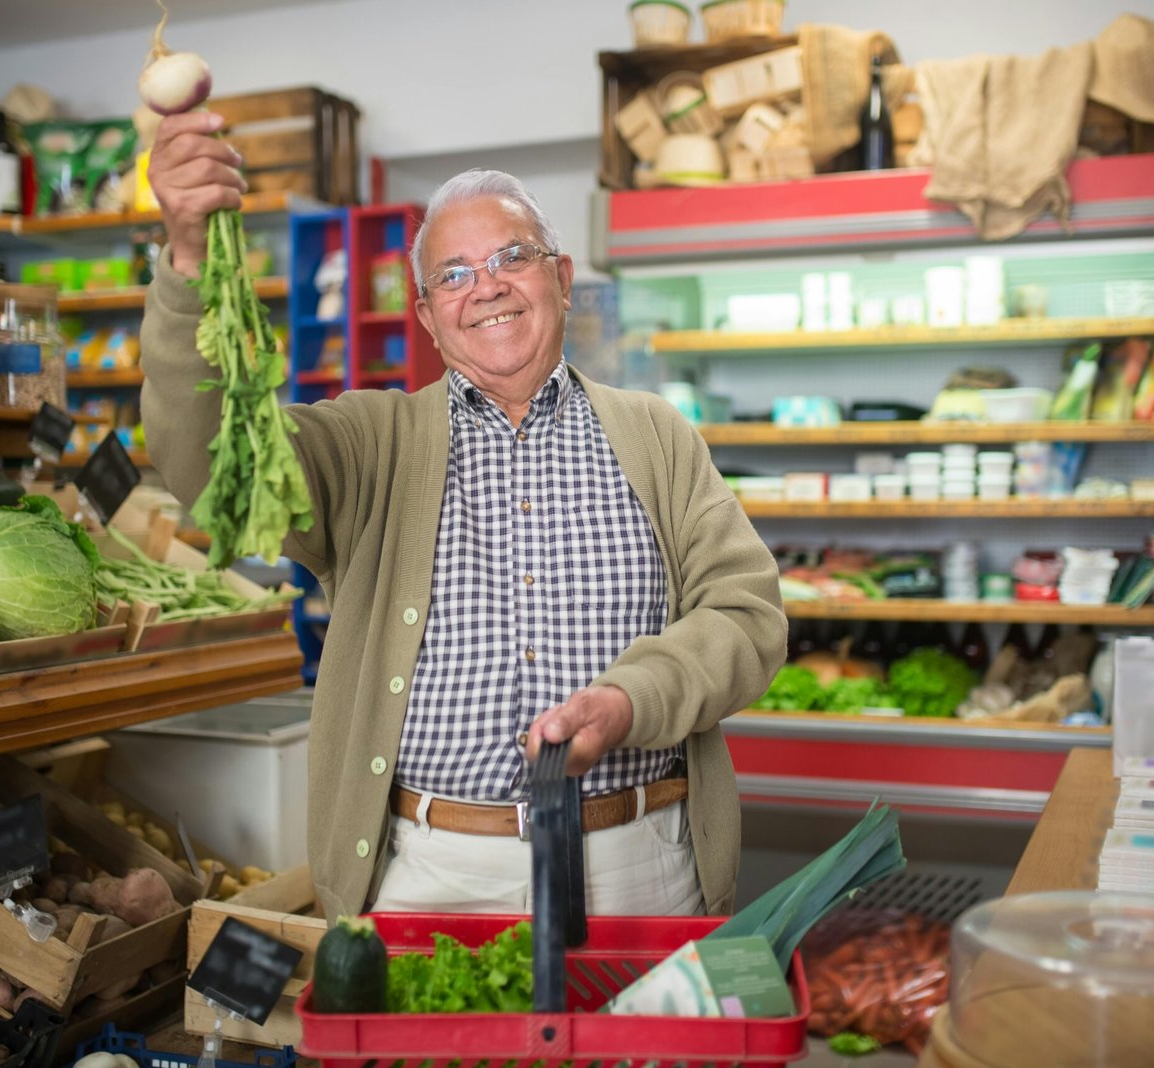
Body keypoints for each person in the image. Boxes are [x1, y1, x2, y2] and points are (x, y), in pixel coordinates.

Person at [140, 110, 786, 920]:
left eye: (511, 256)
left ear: (561, 275)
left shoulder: (655, 433)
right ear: (427, 317)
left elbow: (747, 614)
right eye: (452, 274)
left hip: (638, 863)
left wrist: (632, 699)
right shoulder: (370, 445)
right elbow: (213, 467)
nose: (485, 286)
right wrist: (192, 262)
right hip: (431, 873)